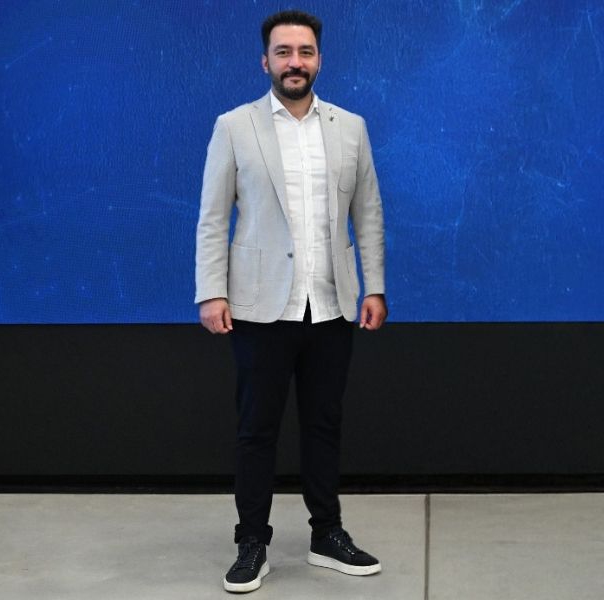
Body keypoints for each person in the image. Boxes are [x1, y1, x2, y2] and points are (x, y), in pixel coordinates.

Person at [195, 10, 387, 593]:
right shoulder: (235, 126)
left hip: (331, 305)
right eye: (283, 53)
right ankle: (251, 542)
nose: (294, 62)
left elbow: (368, 213)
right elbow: (212, 218)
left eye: (304, 52)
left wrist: (374, 286)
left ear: (319, 60)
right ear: (266, 62)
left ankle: (327, 534)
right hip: (259, 308)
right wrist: (212, 291)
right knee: (257, 430)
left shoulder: (351, 127)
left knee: (324, 425)